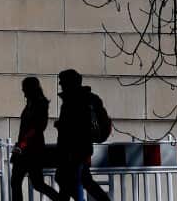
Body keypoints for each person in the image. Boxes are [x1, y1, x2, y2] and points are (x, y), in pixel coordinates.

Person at [52, 70, 110, 201]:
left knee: (73, 181)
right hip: (80, 149)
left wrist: (61, 126)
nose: (60, 84)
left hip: (74, 150)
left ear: (69, 82)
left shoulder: (73, 100)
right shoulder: (87, 99)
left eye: (62, 81)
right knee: (78, 181)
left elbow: (75, 126)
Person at [11, 77, 58, 201]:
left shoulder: (39, 104)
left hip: (31, 149)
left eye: (25, 88)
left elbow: (37, 127)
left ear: (30, 89)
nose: (23, 92)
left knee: (36, 183)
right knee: (18, 182)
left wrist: (22, 144)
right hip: (25, 147)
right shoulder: (31, 103)